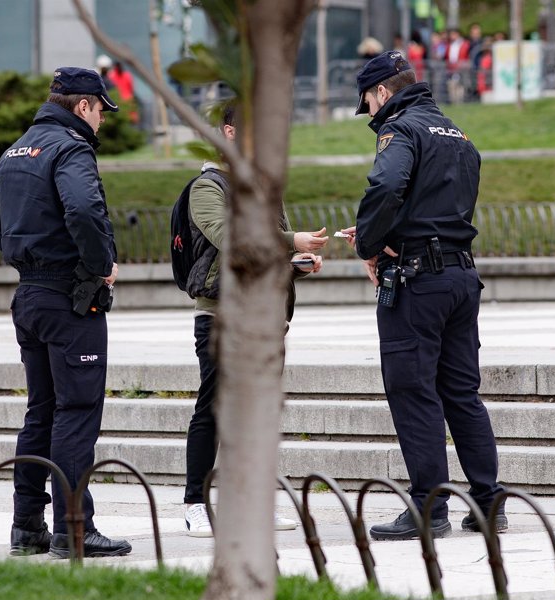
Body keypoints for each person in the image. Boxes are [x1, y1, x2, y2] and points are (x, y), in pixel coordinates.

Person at [342, 51, 506, 540]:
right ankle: (487, 503)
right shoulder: (457, 133)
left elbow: (388, 183)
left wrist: (371, 246)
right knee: (461, 393)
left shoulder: (402, 130)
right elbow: (438, 203)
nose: (369, 113)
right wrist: (396, 231)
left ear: (383, 93)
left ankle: (428, 508)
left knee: (414, 393)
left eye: (367, 103)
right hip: (460, 275)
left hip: (417, 282)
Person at [0, 67, 132, 558]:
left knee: (40, 411)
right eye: (101, 110)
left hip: (29, 296)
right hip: (69, 299)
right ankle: (73, 529)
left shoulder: (17, 149)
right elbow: (84, 211)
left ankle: (27, 528)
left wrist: (26, 254)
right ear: (84, 105)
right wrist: (99, 267)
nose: (102, 121)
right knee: (77, 412)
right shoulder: (70, 147)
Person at [183, 104, 328, 537]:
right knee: (213, 410)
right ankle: (195, 502)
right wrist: (289, 240)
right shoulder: (206, 187)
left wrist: (296, 261)